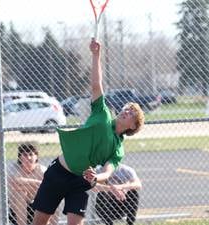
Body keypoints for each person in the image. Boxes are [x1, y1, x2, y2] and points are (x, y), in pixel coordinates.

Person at [31, 38, 145, 225]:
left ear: (133, 126)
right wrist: (96, 55)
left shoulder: (117, 149)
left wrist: (95, 177)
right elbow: (96, 84)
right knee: (39, 223)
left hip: (81, 181)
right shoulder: (102, 113)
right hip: (59, 171)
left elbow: (107, 172)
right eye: (127, 108)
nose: (126, 111)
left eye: (132, 113)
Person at [8, 143, 58, 225]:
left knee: (52, 195)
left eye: (31, 154)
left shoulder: (42, 170)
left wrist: (23, 184)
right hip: (17, 207)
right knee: (19, 193)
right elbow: (14, 182)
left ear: (36, 157)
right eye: (24, 155)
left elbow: (50, 186)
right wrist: (38, 183)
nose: (28, 158)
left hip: (38, 204)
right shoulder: (14, 168)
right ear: (20, 157)